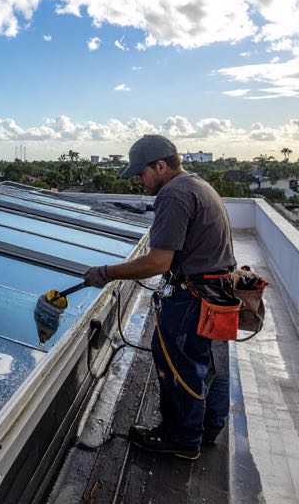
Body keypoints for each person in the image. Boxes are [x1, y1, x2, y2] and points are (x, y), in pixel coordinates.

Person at [83, 134, 236, 460]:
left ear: (161, 165)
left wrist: (106, 272)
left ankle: (181, 439)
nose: (138, 179)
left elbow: (158, 261)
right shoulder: (196, 185)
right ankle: (206, 429)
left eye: (141, 172)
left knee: (179, 364)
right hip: (211, 293)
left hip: (192, 298)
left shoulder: (174, 195)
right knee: (205, 363)